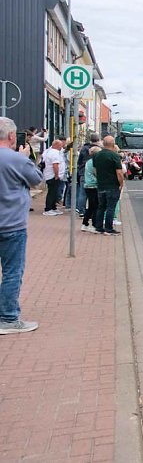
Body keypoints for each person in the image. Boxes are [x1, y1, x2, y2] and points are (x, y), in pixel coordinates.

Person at [0, 117, 43, 334]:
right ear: (10, 136)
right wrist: (27, 158)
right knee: (12, 272)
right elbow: (36, 180)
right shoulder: (17, 159)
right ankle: (8, 318)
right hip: (11, 225)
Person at [92, 136, 124, 235]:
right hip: (112, 185)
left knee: (101, 206)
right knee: (111, 207)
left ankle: (98, 227)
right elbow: (119, 172)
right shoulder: (114, 156)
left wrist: (100, 178)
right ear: (113, 144)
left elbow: (95, 170)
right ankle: (108, 228)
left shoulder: (97, 155)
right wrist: (121, 184)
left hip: (101, 185)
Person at [75, 133, 101, 216]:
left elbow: (79, 161)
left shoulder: (84, 148)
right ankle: (92, 211)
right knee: (94, 194)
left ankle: (81, 210)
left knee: (82, 192)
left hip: (83, 171)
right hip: (95, 172)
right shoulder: (99, 149)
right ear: (98, 140)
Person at [40, 138, 66, 215]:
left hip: (51, 175)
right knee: (52, 192)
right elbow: (55, 165)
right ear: (56, 145)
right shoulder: (54, 153)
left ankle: (53, 207)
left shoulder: (50, 152)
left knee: (54, 192)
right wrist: (56, 175)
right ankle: (48, 209)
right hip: (52, 176)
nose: (61, 147)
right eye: (60, 145)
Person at [80, 145, 101, 233]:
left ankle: (85, 223)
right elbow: (97, 174)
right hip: (94, 185)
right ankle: (94, 225)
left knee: (91, 206)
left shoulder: (89, 161)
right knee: (96, 206)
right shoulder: (94, 162)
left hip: (88, 185)